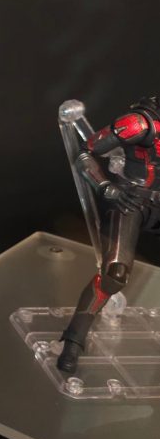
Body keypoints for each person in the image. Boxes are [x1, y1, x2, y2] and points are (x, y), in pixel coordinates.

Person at [58, 95, 160, 374]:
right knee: (114, 274)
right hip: (132, 201)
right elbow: (84, 153)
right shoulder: (139, 123)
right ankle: (73, 340)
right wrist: (105, 187)